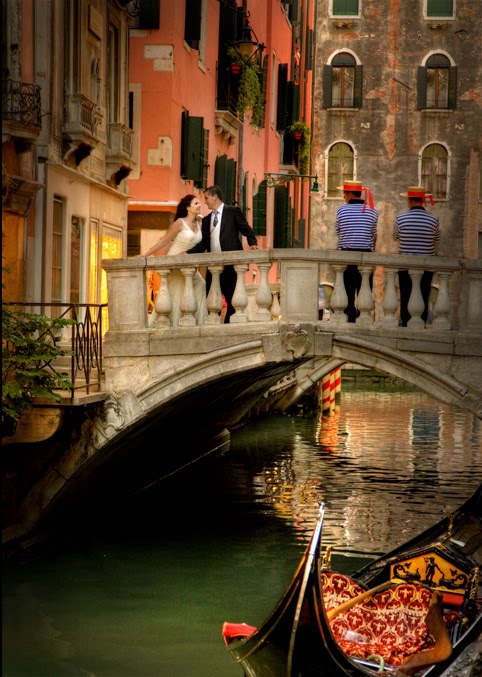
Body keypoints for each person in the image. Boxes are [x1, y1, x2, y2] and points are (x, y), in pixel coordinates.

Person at [188, 185, 258, 323]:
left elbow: (246, 229)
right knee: (211, 300)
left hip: (231, 266)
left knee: (233, 301)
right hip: (213, 266)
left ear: (215, 197)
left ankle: (228, 326)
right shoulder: (206, 220)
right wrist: (187, 253)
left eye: (207, 198)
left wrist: (252, 243)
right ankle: (214, 327)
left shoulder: (232, 212)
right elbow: (203, 245)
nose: (205, 202)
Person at [141, 194, 207, 327]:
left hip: (189, 264)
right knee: (176, 291)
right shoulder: (179, 223)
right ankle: (174, 324)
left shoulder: (200, 223)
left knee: (200, 284)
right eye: (195, 203)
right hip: (176, 261)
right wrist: (146, 254)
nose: (199, 205)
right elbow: (164, 241)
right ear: (188, 207)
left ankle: (199, 322)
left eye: (200, 203)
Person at [394, 185, 440, 327]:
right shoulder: (434, 220)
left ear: (409, 200)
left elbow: (397, 237)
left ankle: (405, 322)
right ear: (423, 200)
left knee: (406, 295)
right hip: (425, 265)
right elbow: (435, 239)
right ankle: (422, 322)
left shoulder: (400, 219)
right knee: (423, 293)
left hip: (405, 265)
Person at [335, 180, 378, 322]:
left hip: (346, 256)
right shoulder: (373, 211)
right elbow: (373, 236)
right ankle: (363, 317)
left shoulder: (341, 210)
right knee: (364, 289)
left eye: (344, 194)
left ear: (351, 194)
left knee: (347, 290)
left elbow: (338, 231)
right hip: (366, 256)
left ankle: (350, 318)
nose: (343, 197)